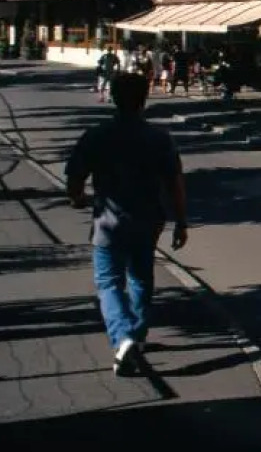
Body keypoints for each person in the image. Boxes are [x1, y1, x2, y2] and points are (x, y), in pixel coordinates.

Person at [65, 72, 188, 377]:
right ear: (143, 100)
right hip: (149, 220)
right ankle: (137, 336)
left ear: (114, 98)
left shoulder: (96, 135)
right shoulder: (159, 139)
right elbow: (175, 183)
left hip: (109, 222)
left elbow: (75, 178)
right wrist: (181, 222)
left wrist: (77, 198)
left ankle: (123, 338)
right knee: (141, 279)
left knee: (108, 283)